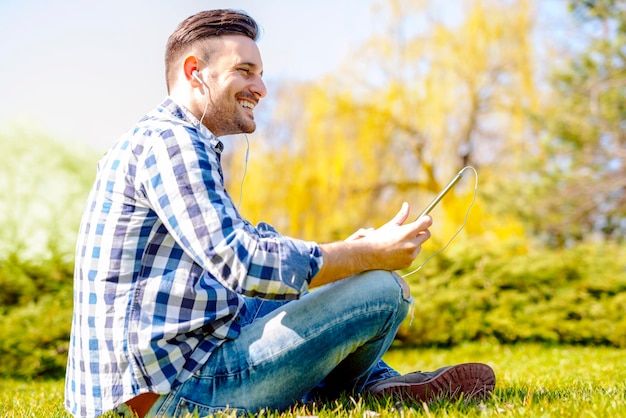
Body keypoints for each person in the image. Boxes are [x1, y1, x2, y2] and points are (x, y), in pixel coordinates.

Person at [64, 9, 495, 418]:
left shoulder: (157, 139)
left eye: (261, 74)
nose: (260, 88)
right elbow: (245, 262)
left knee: (311, 286)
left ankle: (374, 384)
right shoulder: (172, 144)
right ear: (196, 72)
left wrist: (351, 253)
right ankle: (362, 386)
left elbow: (239, 270)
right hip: (177, 394)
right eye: (244, 71)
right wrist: (366, 257)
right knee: (385, 290)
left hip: (147, 383)